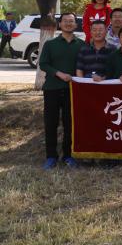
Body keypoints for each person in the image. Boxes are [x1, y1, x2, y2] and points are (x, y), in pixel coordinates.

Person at [38, 13, 85, 170]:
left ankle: (68, 155)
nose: (68, 23)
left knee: (70, 124)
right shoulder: (50, 44)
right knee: (51, 123)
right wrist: (59, 74)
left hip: (73, 90)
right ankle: (51, 156)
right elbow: (43, 64)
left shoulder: (82, 44)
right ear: (60, 24)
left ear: (76, 25)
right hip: (52, 88)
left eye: (71, 21)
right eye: (65, 21)